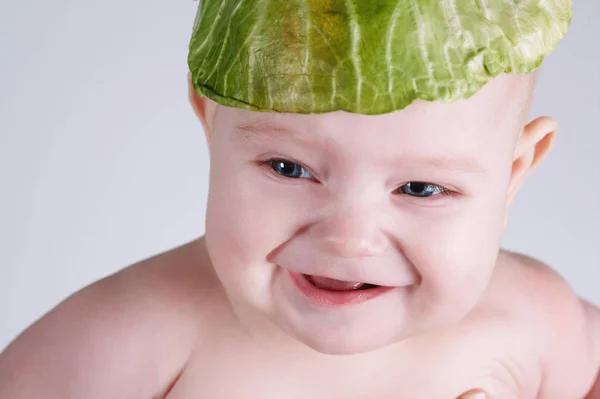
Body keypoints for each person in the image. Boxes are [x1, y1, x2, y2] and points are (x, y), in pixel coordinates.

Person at [1, 0, 599, 398]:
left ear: (515, 170)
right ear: (211, 122)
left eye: (421, 188)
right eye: (289, 167)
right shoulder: (125, 338)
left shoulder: (536, 322)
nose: (348, 238)